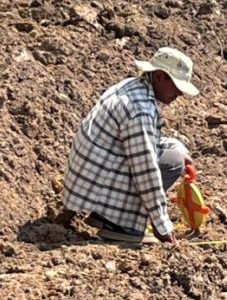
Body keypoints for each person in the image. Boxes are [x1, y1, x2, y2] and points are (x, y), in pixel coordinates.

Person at [64, 46, 200, 244]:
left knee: (176, 152)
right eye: (177, 86)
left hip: (88, 183)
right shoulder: (139, 109)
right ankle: (119, 223)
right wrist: (162, 226)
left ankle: (107, 215)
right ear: (161, 76)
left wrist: (178, 148)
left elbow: (147, 140)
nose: (180, 93)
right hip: (93, 185)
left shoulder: (134, 87)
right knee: (173, 163)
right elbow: (145, 170)